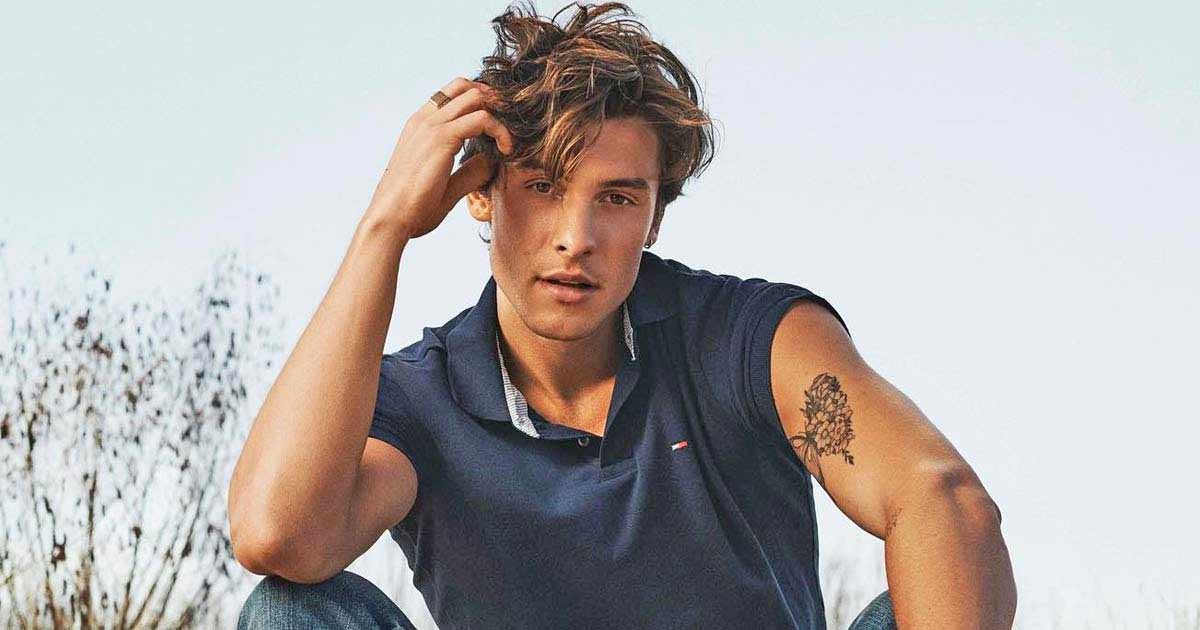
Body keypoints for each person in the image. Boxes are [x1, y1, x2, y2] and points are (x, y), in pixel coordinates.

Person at [228, 2, 1016, 628]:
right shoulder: (422, 400)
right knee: (290, 610)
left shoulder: (750, 338)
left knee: (932, 582)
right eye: (542, 186)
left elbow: (944, 502)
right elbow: (276, 535)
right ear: (481, 193)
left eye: (615, 199)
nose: (576, 238)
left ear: (655, 217)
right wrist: (385, 228)